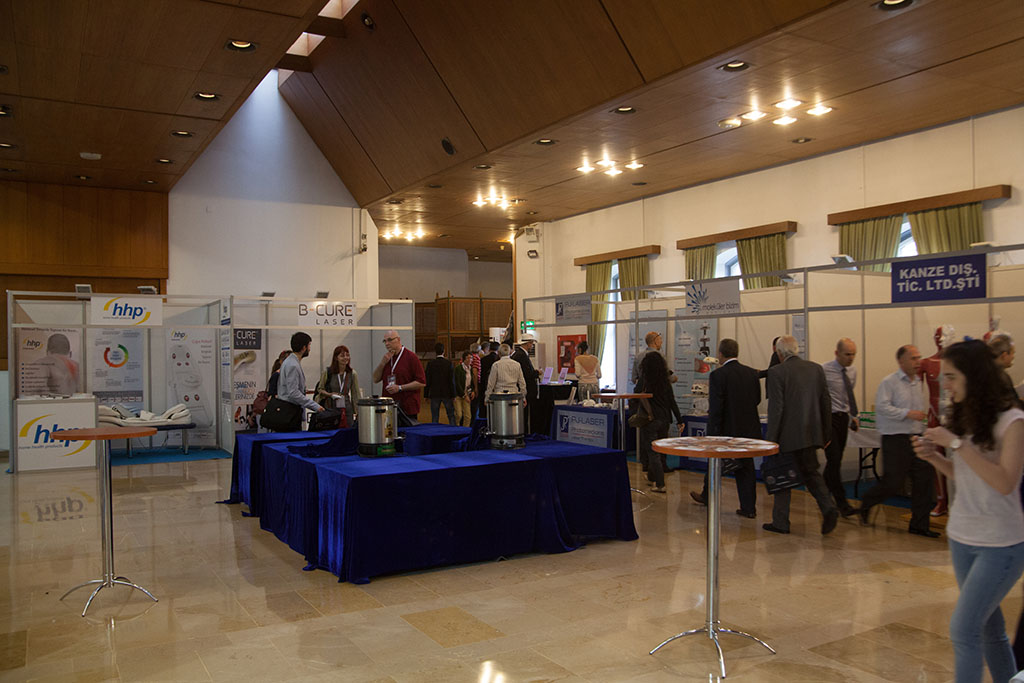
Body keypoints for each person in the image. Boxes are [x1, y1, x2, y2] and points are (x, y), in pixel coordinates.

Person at [912, 339, 1024, 683]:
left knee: (963, 629)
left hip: (1000, 544)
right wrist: (935, 457)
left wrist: (956, 443)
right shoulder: (966, 416)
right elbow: (967, 476)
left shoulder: (1013, 421)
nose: (945, 385)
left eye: (951, 377)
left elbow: (1005, 482)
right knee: (989, 628)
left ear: (974, 376)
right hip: (963, 537)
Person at [859, 345, 938, 537]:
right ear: (901, 361)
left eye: (918, 357)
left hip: (916, 438)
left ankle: (919, 525)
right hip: (895, 439)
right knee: (892, 482)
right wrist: (907, 413)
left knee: (925, 480)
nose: (918, 362)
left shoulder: (917, 382)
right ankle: (867, 502)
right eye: (913, 358)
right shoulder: (890, 382)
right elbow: (882, 407)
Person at [763, 335, 837, 535]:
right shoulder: (816, 369)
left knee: (782, 477)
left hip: (786, 437)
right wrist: (826, 433)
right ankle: (828, 507)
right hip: (811, 434)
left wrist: (771, 441)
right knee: (812, 474)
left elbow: (776, 409)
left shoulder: (776, 372)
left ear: (779, 353)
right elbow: (826, 402)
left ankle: (780, 522)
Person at [690, 338, 761, 517]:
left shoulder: (718, 375)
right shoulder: (751, 373)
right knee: (747, 468)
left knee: (715, 465)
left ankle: (708, 496)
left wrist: (712, 434)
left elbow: (716, 407)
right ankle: (749, 508)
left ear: (720, 354)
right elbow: (757, 399)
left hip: (727, 431)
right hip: (748, 429)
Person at [822, 337, 860, 517]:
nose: (851, 358)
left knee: (835, 461)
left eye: (853, 354)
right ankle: (842, 504)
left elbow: (848, 396)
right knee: (834, 458)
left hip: (843, 417)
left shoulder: (852, 371)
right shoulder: (824, 370)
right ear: (837, 353)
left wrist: (854, 416)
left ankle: (822, 494)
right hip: (829, 419)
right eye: (847, 354)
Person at [635, 351, 682, 493]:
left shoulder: (645, 380)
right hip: (665, 419)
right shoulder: (665, 381)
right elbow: (672, 402)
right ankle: (652, 477)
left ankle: (660, 484)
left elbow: (636, 393)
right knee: (660, 451)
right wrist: (679, 420)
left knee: (652, 452)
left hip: (650, 419)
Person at [923, 325, 955, 516]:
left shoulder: (958, 363)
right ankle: (941, 500)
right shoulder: (927, 363)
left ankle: (954, 501)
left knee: (955, 458)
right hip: (934, 414)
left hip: (953, 415)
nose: (942, 341)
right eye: (940, 337)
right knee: (937, 459)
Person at [372, 329, 425, 421]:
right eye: (385, 341)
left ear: (398, 339)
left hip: (407, 408)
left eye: (389, 340)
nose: (387, 344)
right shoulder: (387, 358)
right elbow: (375, 379)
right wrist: (382, 363)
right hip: (389, 407)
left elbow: (421, 382)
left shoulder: (411, 357)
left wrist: (400, 388)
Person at [273, 332, 323, 431]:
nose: (310, 349)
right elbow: (293, 393)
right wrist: (315, 406)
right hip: (289, 413)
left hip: (288, 411)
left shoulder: (290, 362)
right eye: (309, 345)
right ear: (304, 348)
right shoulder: (293, 365)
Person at [314, 345, 360, 425]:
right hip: (330, 409)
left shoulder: (352, 373)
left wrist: (358, 411)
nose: (345, 358)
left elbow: (355, 394)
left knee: (348, 430)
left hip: (346, 409)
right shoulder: (327, 372)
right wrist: (330, 394)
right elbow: (320, 389)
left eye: (347, 355)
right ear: (336, 358)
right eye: (342, 356)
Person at [511, 333, 539, 431]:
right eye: (531, 344)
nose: (532, 346)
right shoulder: (521, 355)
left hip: (522, 388)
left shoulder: (517, 354)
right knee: (524, 414)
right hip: (525, 388)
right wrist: (537, 373)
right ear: (528, 344)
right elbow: (527, 373)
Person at [425, 343, 455, 423]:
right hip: (447, 393)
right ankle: (453, 429)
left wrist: (426, 395)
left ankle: (435, 430)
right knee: (451, 415)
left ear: (435, 352)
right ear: (444, 351)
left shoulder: (430, 364)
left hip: (435, 393)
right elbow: (451, 381)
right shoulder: (449, 363)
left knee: (435, 416)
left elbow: (428, 380)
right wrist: (453, 394)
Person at [453, 350, 477, 427]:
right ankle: (456, 428)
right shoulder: (458, 368)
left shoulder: (471, 369)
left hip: (467, 394)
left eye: (471, 358)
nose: (470, 360)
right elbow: (457, 383)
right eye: (468, 358)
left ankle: (465, 430)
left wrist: (473, 391)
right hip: (459, 394)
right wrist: (464, 395)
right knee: (459, 415)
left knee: (468, 416)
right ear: (463, 359)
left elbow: (471, 382)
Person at [478, 341, 499, 417]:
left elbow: (480, 374)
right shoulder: (498, 360)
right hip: (497, 387)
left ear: (489, 349)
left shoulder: (483, 359)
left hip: (484, 385)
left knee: (485, 411)